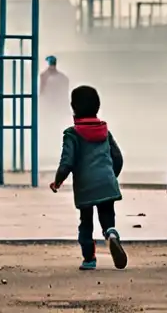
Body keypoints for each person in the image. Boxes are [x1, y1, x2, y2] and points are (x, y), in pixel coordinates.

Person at [49, 85, 128, 270]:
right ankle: (111, 234)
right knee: (107, 214)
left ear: (74, 108)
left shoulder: (72, 134)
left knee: (86, 221)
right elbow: (118, 158)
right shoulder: (104, 132)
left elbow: (67, 162)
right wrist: (111, 176)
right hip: (107, 182)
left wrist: (58, 180)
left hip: (85, 185)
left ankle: (89, 258)